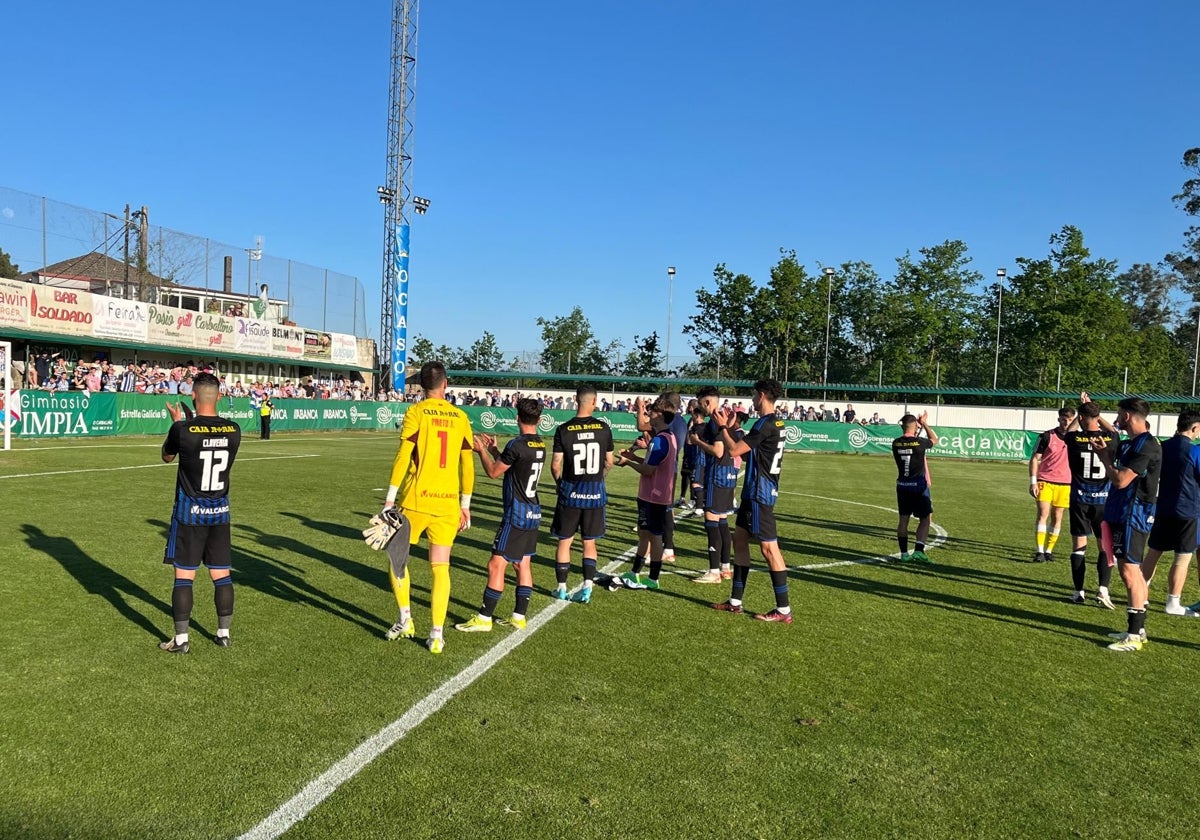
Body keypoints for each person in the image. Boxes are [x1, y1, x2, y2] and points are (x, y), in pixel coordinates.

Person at [381, 361, 475, 655]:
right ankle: (436, 635)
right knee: (440, 567)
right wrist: (465, 505)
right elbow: (467, 466)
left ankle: (406, 619)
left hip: (415, 501)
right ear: (445, 384)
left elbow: (403, 456)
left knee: (397, 562)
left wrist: (389, 500)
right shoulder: (460, 416)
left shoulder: (415, 412)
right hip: (447, 504)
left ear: (421, 386)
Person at [158, 372, 242, 653]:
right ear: (219, 396)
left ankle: (181, 640)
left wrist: (179, 423)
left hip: (189, 513)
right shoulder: (234, 430)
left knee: (184, 576)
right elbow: (210, 437)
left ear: (193, 395)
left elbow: (168, 456)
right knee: (222, 574)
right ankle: (223, 634)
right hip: (220, 512)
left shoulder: (182, 430)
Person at [457, 399, 546, 632]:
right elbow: (516, 465)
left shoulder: (517, 444)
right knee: (523, 564)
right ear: (539, 420)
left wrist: (482, 451)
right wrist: (496, 450)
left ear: (517, 418)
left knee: (496, 564)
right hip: (533, 513)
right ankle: (519, 616)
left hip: (516, 514)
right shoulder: (540, 444)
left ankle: (484, 619)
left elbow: (494, 472)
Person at [711, 379, 792, 622]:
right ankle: (736, 601)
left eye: (754, 395)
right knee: (740, 539)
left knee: (769, 549)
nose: (753, 399)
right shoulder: (776, 422)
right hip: (753, 492)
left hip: (761, 492)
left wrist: (723, 428)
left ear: (762, 395)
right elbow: (751, 455)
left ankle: (784, 609)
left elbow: (735, 451)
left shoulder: (766, 423)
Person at [1094, 397, 1162, 652]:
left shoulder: (1147, 446)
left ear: (1129, 416)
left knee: (1130, 572)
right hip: (1121, 512)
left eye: (1120, 413)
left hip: (1133, 515)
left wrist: (1105, 461)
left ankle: (1134, 636)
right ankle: (1138, 629)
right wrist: (1105, 453)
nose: (1117, 417)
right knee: (1129, 571)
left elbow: (1121, 480)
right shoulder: (1130, 444)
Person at [548, 385, 614, 603]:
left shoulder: (564, 429)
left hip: (570, 492)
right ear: (594, 401)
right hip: (594, 493)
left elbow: (556, 465)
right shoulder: (604, 429)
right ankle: (587, 586)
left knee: (565, 541)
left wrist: (560, 485)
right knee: (589, 542)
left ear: (576, 400)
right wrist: (598, 478)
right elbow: (609, 462)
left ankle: (561, 587)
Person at [1142, 409, 1200, 618]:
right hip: (1187, 510)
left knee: (1154, 552)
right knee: (1182, 558)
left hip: (1163, 507)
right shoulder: (1194, 451)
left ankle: (1141, 593)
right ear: (1194, 428)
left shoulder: (1162, 447)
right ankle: (1173, 602)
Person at [616, 397, 677, 590]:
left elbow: (648, 470)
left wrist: (628, 463)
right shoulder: (667, 437)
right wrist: (633, 456)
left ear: (660, 415)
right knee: (644, 534)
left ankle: (652, 577)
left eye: (651, 412)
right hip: (651, 494)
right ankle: (635, 573)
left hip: (654, 495)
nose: (648, 414)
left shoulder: (660, 440)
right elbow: (651, 464)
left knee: (654, 535)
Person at [1064, 398, 1117, 607]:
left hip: (1080, 500)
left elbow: (1069, 429)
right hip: (1104, 501)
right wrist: (1096, 412)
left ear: (1082, 418)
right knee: (1105, 546)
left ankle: (1079, 592)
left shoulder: (1074, 439)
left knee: (1079, 547)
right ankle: (1103, 589)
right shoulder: (1110, 439)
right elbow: (1112, 429)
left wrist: (1080, 413)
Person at [690, 385, 737, 584]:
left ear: (707, 402)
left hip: (716, 476)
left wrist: (697, 441)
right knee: (723, 523)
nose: (701, 407)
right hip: (727, 475)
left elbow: (717, 451)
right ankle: (726, 568)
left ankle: (713, 571)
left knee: (712, 524)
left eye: (701, 403)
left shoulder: (715, 421)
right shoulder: (723, 418)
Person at [1028, 407, 1076, 562]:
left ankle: (1049, 550)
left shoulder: (1076, 438)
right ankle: (1039, 551)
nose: (1066, 422)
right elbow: (1035, 459)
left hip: (1065, 483)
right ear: (1058, 419)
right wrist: (1033, 482)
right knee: (1043, 514)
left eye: (1069, 420)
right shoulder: (1046, 436)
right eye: (1063, 419)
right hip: (1045, 481)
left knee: (1058, 516)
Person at [891, 412, 940, 563]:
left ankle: (904, 554)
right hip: (918, 486)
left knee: (903, 520)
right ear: (916, 426)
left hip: (903, 485)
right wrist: (924, 423)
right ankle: (919, 551)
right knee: (925, 518)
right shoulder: (920, 443)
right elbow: (934, 440)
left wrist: (917, 427)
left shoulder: (896, 443)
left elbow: (909, 440)